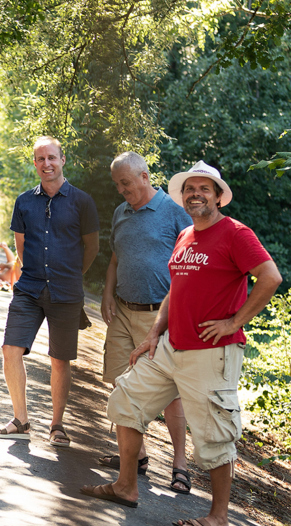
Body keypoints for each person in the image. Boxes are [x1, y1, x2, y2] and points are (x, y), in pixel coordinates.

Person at [80, 161, 282, 526]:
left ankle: (218, 518)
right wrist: (155, 332)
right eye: (190, 189)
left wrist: (235, 322)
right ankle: (126, 486)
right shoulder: (186, 235)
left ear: (219, 196)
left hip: (212, 351)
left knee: (216, 436)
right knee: (126, 399)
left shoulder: (236, 233)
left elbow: (270, 277)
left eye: (204, 189)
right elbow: (177, 288)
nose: (195, 195)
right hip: (172, 345)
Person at [0, 136, 99, 447]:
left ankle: (57, 424)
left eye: (52, 157)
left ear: (63, 160)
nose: (46, 164)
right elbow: (20, 247)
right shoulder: (24, 202)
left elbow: (92, 247)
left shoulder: (82, 202)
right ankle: (20, 419)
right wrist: (38, 271)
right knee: (11, 349)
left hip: (66, 292)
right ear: (35, 163)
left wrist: (71, 275)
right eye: (41, 159)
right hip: (29, 289)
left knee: (59, 359)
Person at [97, 151, 193, 493]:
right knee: (120, 383)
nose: (122, 190)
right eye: (117, 185)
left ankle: (180, 465)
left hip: (160, 316)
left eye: (126, 183)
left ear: (144, 176)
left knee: (169, 393)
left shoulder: (174, 212)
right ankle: (136, 458)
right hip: (122, 310)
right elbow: (115, 257)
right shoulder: (121, 213)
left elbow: (194, 262)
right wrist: (108, 293)